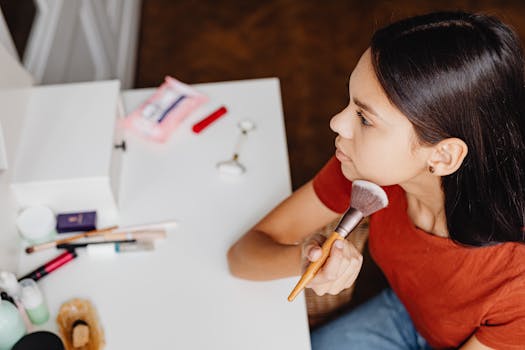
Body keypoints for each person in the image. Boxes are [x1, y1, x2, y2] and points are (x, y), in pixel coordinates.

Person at [227, 11, 525, 350]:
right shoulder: (364, 170)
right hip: (409, 313)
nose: (337, 123)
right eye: (350, 102)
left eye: (364, 119)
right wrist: (304, 260)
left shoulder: (516, 282)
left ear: (442, 156)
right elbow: (243, 255)